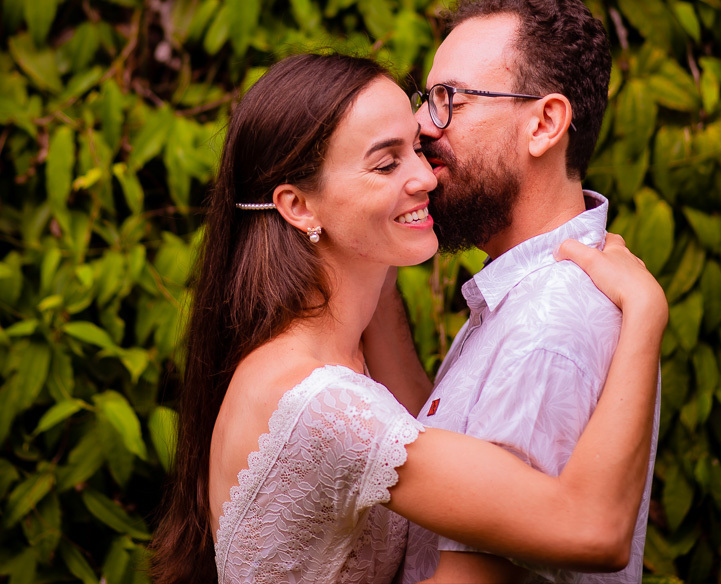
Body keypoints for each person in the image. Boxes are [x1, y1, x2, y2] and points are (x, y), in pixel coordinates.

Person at [150, 51, 666, 584]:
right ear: (299, 207)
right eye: (386, 162)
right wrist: (646, 315)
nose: (426, 176)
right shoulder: (321, 402)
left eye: (418, 149)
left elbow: (433, 421)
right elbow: (592, 530)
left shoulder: (334, 351)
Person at [363, 0, 660, 584]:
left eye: (450, 99)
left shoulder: (546, 325)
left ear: (545, 124)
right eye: (427, 98)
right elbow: (429, 433)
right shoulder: (526, 294)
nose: (421, 123)